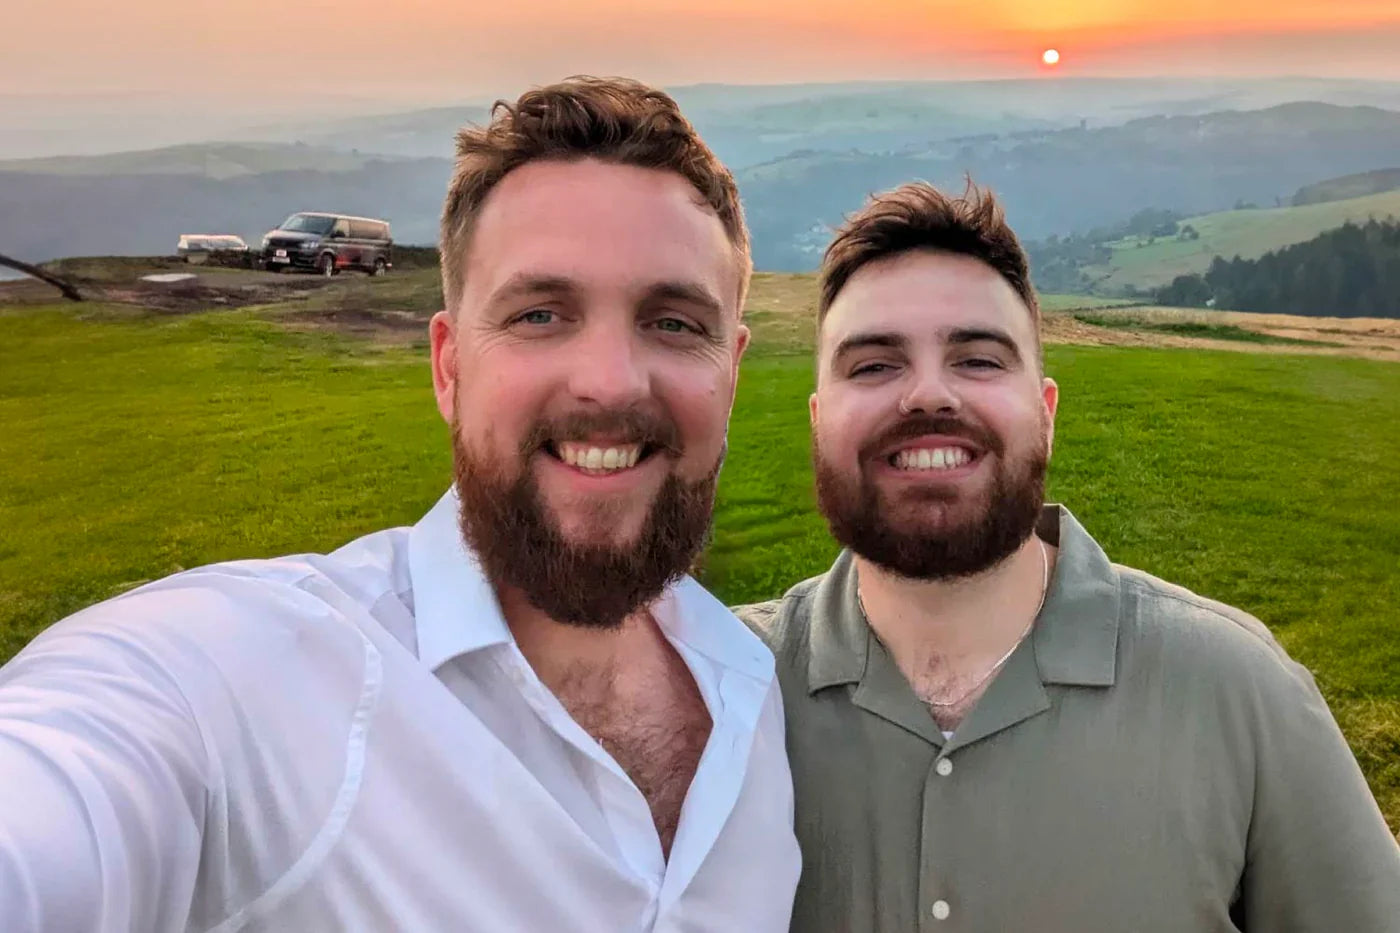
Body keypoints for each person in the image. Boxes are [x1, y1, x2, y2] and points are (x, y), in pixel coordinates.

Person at [0, 77, 800, 931]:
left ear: (731, 372)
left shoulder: (754, 693)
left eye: (674, 323)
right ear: (449, 368)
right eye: (540, 314)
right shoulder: (252, 680)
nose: (610, 382)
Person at [737, 181, 1400, 932]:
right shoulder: (720, 694)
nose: (927, 394)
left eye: (978, 359)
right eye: (872, 365)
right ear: (819, 421)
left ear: (1046, 415)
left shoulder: (1239, 693)